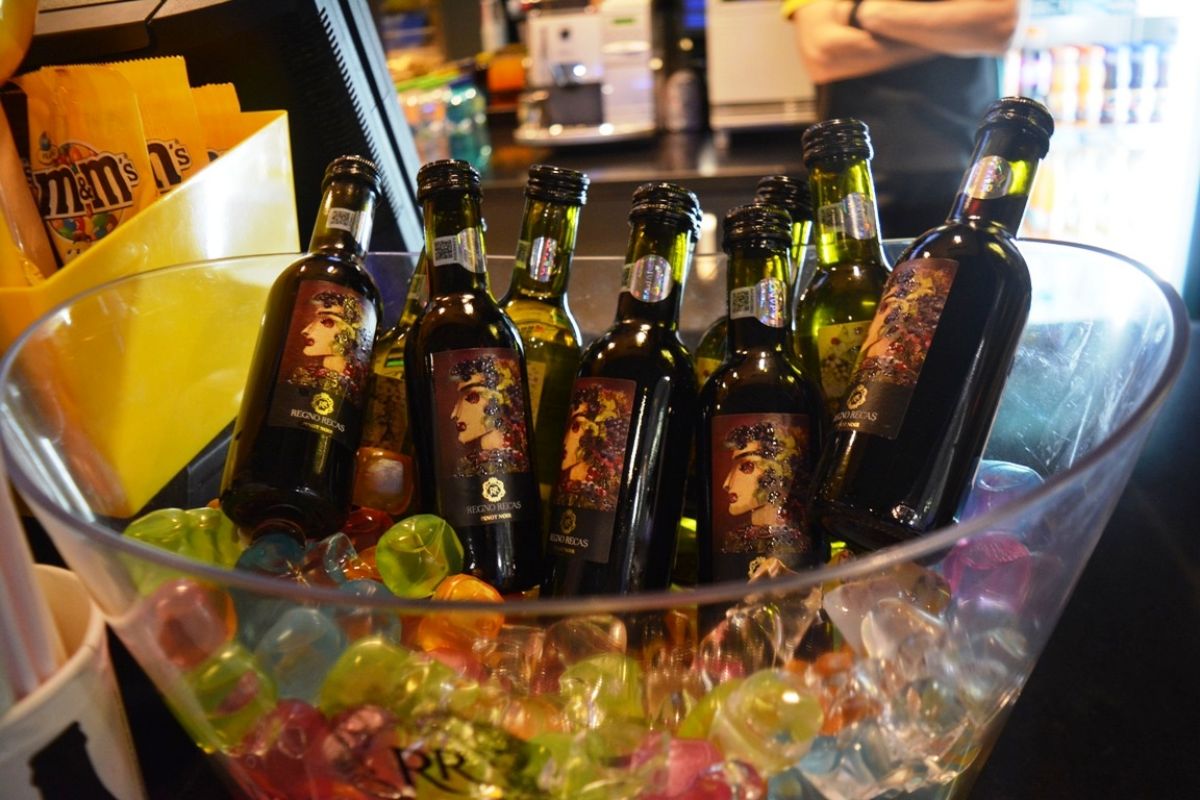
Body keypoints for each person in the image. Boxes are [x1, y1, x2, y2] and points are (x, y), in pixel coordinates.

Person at [785, 0, 1023, 238]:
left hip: (970, 173)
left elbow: (1000, 26)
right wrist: (955, 35)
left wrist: (861, 13)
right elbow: (823, 53)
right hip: (855, 180)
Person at [719, 421, 811, 558]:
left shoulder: (798, 540)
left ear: (779, 470)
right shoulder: (736, 540)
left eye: (746, 466)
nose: (726, 483)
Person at [447, 353, 530, 477]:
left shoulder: (512, 462)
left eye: (470, 396)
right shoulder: (473, 463)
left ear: (499, 399)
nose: (454, 414)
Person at [288, 289, 370, 404]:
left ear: (348, 332)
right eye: (314, 321)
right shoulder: (304, 376)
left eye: (325, 322)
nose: (305, 330)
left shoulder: (357, 382)